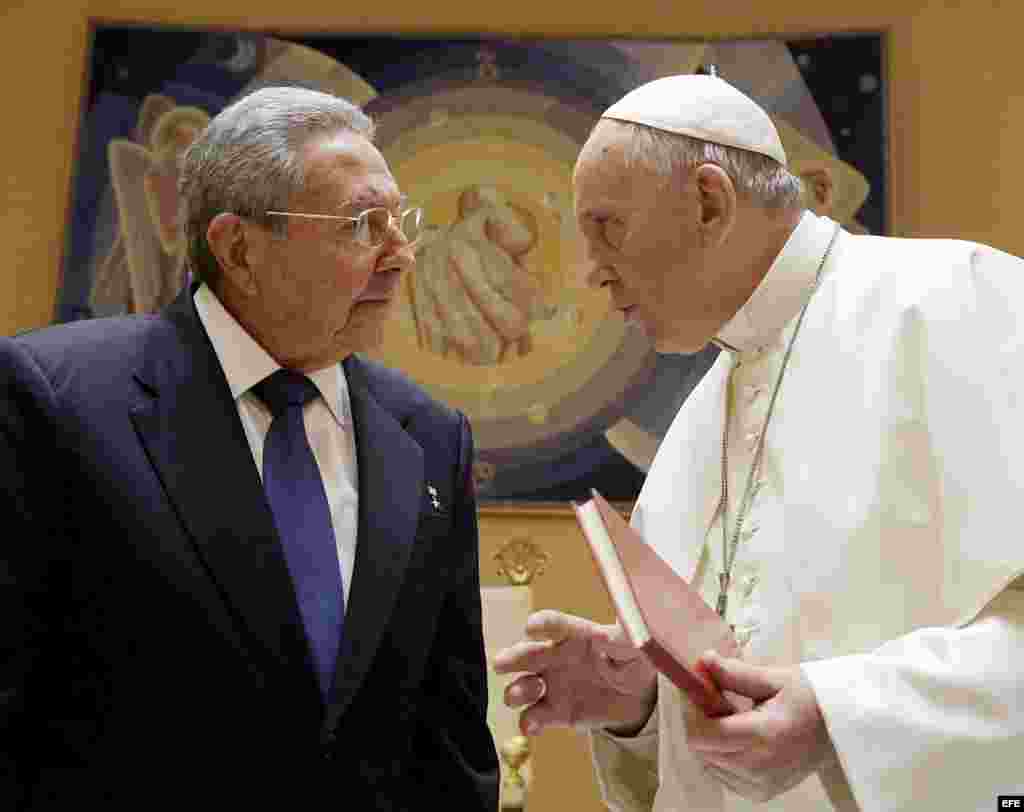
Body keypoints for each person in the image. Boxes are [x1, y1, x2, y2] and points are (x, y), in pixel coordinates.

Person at [494, 74, 1024, 811]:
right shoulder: (703, 410)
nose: (592, 272)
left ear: (709, 201)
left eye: (608, 228)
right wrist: (641, 707)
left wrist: (841, 715)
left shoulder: (955, 303)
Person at [1, 86, 499, 810]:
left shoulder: (426, 433)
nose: (402, 254)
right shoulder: (56, 399)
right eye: (364, 225)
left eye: (401, 221)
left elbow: (448, 737)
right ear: (239, 247)